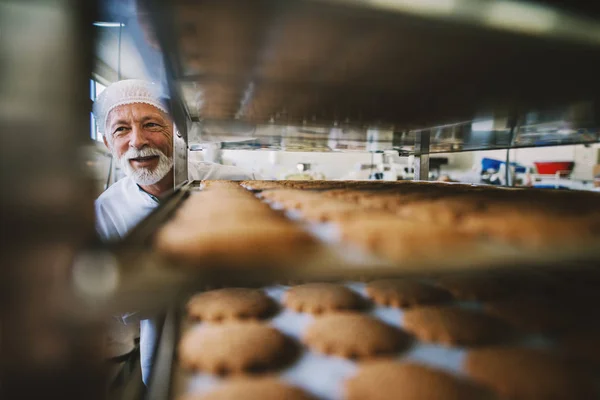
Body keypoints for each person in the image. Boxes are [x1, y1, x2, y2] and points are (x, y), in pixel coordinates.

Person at [93, 79, 253, 383]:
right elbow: (120, 307)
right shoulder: (107, 210)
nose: (138, 141)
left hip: (248, 330)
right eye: (121, 129)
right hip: (167, 363)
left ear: (175, 128)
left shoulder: (233, 183)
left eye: (151, 124)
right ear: (107, 143)